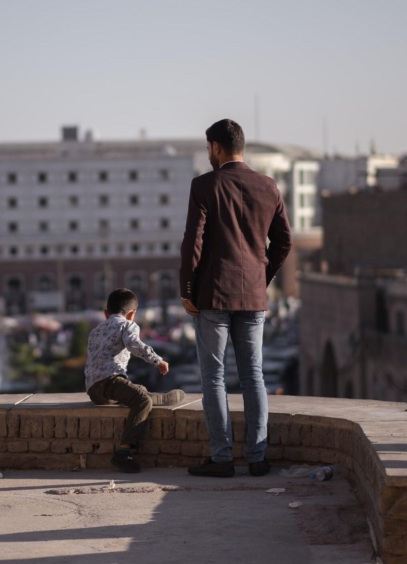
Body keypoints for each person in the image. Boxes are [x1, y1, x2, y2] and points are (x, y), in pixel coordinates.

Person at [179, 119, 292, 478]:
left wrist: (186, 290)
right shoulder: (268, 186)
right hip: (254, 296)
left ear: (215, 147)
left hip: (212, 295)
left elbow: (192, 244)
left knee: (214, 377)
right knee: (254, 376)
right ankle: (257, 458)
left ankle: (222, 458)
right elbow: (284, 242)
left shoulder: (204, 185)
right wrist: (263, 275)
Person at [85, 288, 185, 473]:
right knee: (142, 399)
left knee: (136, 390)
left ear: (106, 313)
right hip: (110, 382)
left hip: (93, 389)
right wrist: (157, 360)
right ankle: (124, 451)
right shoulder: (127, 325)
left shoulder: (95, 331)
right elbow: (134, 345)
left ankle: (158, 398)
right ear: (132, 314)